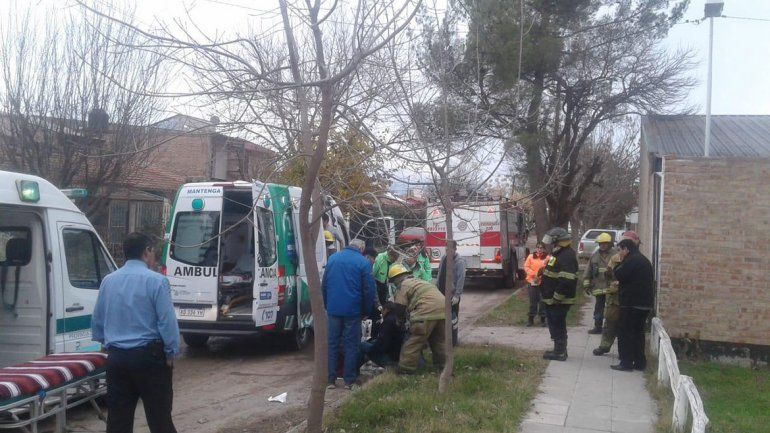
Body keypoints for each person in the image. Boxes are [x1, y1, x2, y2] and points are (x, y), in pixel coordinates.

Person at [91, 232, 179, 433]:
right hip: (150, 359)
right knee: (160, 420)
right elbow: (167, 322)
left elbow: (97, 319)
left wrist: (107, 344)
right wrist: (171, 352)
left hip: (117, 359)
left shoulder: (109, 281)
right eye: (153, 251)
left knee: (118, 422)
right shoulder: (157, 281)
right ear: (147, 251)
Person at [322, 239, 376, 389]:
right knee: (351, 345)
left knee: (332, 344)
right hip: (353, 311)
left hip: (333, 309)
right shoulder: (362, 262)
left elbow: (324, 285)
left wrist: (328, 305)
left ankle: (330, 380)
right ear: (362, 248)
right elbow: (368, 290)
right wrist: (366, 311)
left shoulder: (332, 259)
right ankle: (349, 380)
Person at [389, 264, 446, 373]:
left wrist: (399, 320)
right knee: (439, 342)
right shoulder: (419, 281)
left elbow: (400, 306)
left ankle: (406, 370)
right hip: (444, 310)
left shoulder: (403, 285)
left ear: (395, 279)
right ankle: (444, 368)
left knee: (413, 341)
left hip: (425, 312)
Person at [610, 237, 654, 372]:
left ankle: (626, 362)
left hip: (631, 304)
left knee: (625, 333)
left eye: (620, 251)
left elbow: (619, 273)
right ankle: (640, 362)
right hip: (644, 304)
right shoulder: (643, 260)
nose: (619, 254)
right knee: (638, 333)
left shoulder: (631, 260)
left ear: (626, 249)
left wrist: (620, 263)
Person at [593, 230, 639, 356]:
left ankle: (625, 350)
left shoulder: (637, 260)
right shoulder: (615, 258)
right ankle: (604, 346)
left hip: (629, 298)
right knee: (610, 322)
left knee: (627, 325)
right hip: (615, 297)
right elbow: (609, 276)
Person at [539, 227, 578, 361]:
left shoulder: (566, 255)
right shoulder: (560, 253)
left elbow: (567, 280)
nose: (550, 244)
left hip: (559, 300)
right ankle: (559, 350)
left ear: (558, 241)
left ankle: (560, 352)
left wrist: (557, 297)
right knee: (555, 324)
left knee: (557, 324)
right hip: (553, 299)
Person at [583, 233, 617, 335]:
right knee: (598, 309)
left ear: (610, 244)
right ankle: (598, 327)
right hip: (598, 288)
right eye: (601, 243)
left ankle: (612, 329)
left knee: (612, 310)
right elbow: (588, 271)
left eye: (605, 243)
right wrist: (586, 285)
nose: (602, 245)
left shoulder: (616, 255)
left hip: (612, 288)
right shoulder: (594, 256)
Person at [436, 242, 466, 346]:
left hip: (452, 296)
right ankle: (443, 340)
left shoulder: (459, 261)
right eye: (446, 250)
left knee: (453, 320)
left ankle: (453, 342)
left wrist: (457, 295)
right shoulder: (444, 258)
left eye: (450, 250)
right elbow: (440, 273)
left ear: (455, 249)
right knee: (441, 318)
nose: (448, 252)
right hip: (441, 293)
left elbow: (461, 279)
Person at [359, 302, 406, 368]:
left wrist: (370, 350)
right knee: (369, 343)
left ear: (386, 310)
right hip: (398, 355)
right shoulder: (397, 320)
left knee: (362, 345)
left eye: (382, 310)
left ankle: (353, 371)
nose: (381, 313)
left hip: (391, 359)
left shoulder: (388, 322)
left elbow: (382, 344)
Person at [524, 242, 549, 327]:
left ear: (544, 249)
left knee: (542, 301)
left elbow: (550, 268)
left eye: (541, 247)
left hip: (544, 282)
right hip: (533, 281)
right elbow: (526, 267)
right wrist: (534, 274)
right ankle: (530, 319)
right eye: (538, 247)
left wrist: (542, 275)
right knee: (533, 301)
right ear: (536, 248)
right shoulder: (531, 256)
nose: (539, 249)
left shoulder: (547, 257)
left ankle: (543, 319)